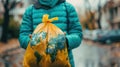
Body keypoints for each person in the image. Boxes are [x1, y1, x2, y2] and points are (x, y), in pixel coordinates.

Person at [19, 0, 83, 67]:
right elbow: (23, 36)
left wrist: (65, 41)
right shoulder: (30, 11)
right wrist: (33, 42)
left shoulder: (68, 8)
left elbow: (78, 34)